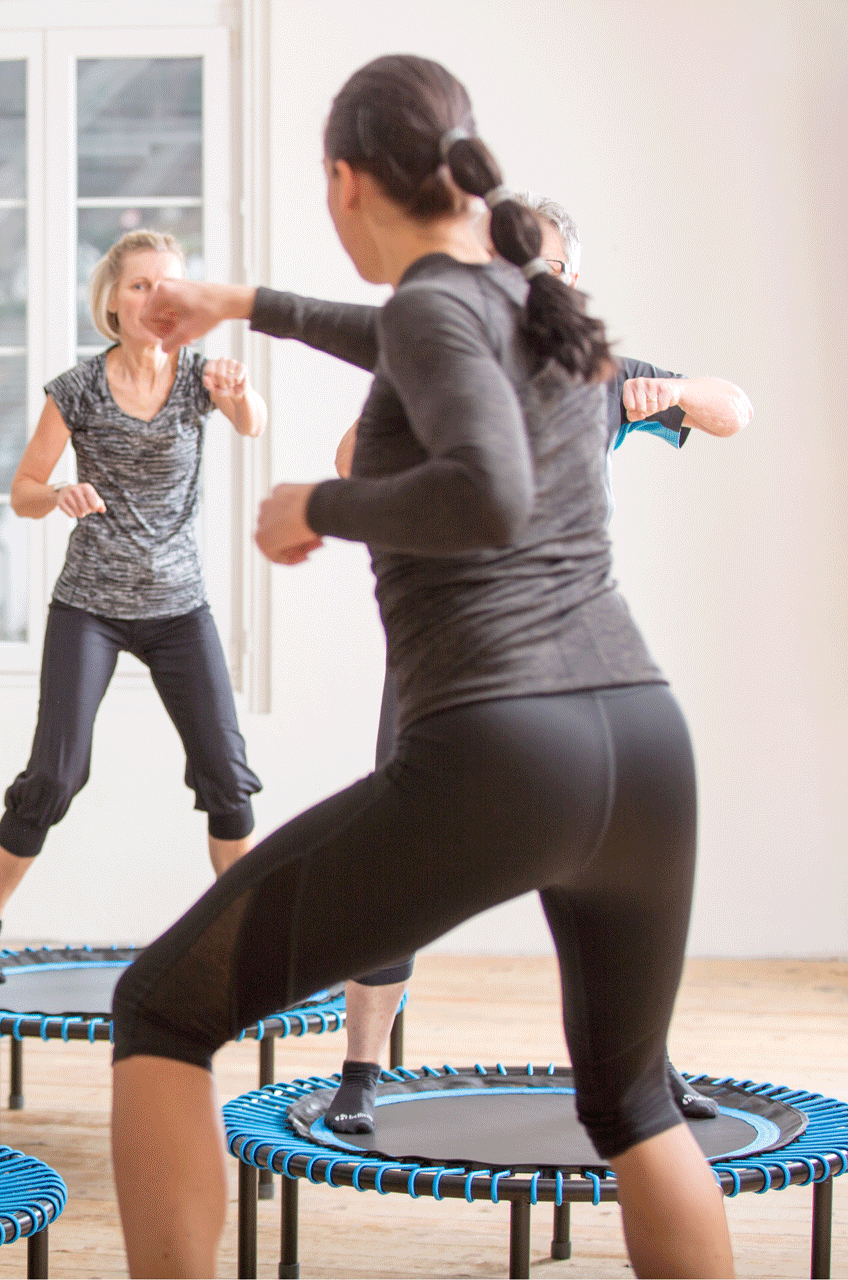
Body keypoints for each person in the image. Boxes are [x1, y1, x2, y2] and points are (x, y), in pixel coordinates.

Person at [107, 56, 735, 1278]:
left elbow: (485, 484)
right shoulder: (521, 294)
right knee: (633, 1104)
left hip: (511, 747)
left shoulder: (439, 310)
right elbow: (407, 333)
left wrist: (318, 502)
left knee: (162, 1010)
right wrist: (245, 301)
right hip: (646, 745)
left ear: (346, 183)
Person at [310, 191, 753, 1134]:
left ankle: (648, 1069)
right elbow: (351, 459)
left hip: (567, 654)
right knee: (396, 856)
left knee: (618, 867)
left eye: (540, 269)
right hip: (446, 654)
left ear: (569, 280)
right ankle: (359, 1071)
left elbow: (735, 409)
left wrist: (667, 394)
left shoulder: (600, 373)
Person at [0, 229, 266, 982]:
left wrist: (238, 391)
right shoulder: (79, 389)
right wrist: (59, 491)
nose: (155, 298)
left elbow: (254, 422)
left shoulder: (199, 378)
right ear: (113, 301)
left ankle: (240, 938)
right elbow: (22, 492)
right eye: (139, 286)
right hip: (90, 606)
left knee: (226, 775)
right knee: (56, 775)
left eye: (168, 286)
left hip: (177, 607)